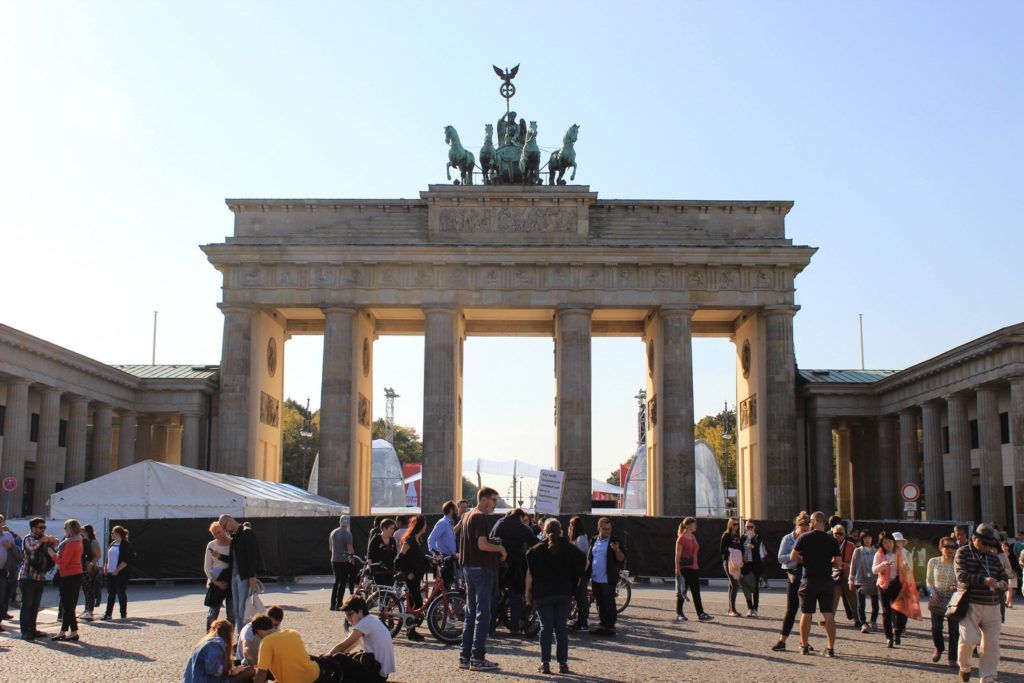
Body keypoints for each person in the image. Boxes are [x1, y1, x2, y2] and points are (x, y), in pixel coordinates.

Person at [525, 518, 585, 675]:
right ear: (560, 531)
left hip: (544, 594)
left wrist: (528, 591)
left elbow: (531, 572)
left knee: (545, 629)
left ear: (544, 531)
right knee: (561, 629)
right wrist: (575, 579)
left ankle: (545, 663)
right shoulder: (570, 549)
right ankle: (563, 664)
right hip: (564, 592)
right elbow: (583, 560)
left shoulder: (536, 550)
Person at [458, 486, 507, 671]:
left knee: (471, 613)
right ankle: (477, 658)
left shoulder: (467, 516)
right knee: (482, 614)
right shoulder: (480, 517)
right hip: (481, 569)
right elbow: (482, 544)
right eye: (494, 500)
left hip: (468, 568)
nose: (495, 504)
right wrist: (500, 549)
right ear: (484, 499)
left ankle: (465, 656)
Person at [956, 523, 1009, 682]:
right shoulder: (963, 552)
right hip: (971, 604)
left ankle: (988, 676)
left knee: (991, 645)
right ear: (974, 539)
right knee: (968, 640)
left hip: (993, 606)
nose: (987, 547)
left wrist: (1002, 584)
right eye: (983, 543)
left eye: (989, 544)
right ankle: (964, 666)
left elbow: (1004, 576)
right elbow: (961, 576)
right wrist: (984, 580)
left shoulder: (993, 557)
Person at [791, 510, 841, 657]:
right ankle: (830, 648)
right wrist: (828, 563)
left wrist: (805, 561)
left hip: (809, 580)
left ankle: (804, 646)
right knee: (828, 615)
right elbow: (838, 563)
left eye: (811, 521)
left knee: (806, 614)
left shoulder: (804, 537)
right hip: (826, 581)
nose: (809, 523)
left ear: (817, 521)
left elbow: (793, 556)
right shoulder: (832, 541)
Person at [489, 508, 537, 636]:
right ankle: (514, 628)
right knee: (515, 597)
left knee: (494, 596)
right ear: (521, 517)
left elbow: (490, 539)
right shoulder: (522, 527)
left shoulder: (499, 523)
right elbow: (535, 543)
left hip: (497, 565)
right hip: (514, 566)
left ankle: (490, 627)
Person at [328, 595, 396, 681]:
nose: (348, 620)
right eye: (346, 616)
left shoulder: (364, 623)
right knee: (342, 659)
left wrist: (324, 659)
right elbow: (349, 647)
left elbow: (342, 646)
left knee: (338, 657)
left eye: (350, 614)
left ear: (360, 611)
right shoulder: (371, 619)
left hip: (376, 674)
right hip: (381, 672)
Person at [773, 512, 810, 651]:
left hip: (806, 575)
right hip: (793, 574)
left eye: (808, 531)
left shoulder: (808, 538)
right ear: (797, 526)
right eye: (803, 530)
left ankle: (804, 642)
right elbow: (780, 557)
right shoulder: (787, 539)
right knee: (791, 609)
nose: (805, 533)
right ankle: (782, 640)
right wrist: (793, 556)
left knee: (806, 611)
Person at [219, 515, 260, 635]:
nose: (225, 530)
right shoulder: (235, 535)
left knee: (243, 609)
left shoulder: (247, 533)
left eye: (224, 526)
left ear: (229, 520)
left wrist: (252, 576)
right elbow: (234, 558)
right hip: (235, 574)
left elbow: (253, 555)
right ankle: (240, 637)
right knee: (237, 610)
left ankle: (244, 637)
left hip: (244, 575)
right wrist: (220, 556)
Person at [19, 516, 58, 639]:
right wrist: (43, 540)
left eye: (44, 527)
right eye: (40, 527)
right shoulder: (28, 539)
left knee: (35, 605)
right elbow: (31, 548)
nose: (43, 529)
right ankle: (25, 631)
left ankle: (32, 629)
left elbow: (55, 545)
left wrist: (52, 540)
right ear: (33, 528)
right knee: (27, 605)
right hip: (28, 577)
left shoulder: (43, 539)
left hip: (40, 577)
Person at [183, 618, 254, 683]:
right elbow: (212, 668)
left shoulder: (207, 642)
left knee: (243, 667)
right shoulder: (216, 645)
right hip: (206, 680)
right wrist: (231, 672)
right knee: (251, 671)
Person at [588, 517, 626, 637]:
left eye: (609, 529)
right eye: (604, 529)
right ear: (599, 528)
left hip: (608, 578)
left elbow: (622, 558)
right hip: (595, 578)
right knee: (599, 602)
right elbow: (590, 557)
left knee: (609, 602)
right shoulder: (594, 540)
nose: (607, 532)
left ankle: (610, 626)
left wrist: (616, 550)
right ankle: (603, 624)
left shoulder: (614, 541)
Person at [873, 531, 911, 648]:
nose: (888, 544)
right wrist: (882, 566)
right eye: (885, 542)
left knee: (900, 611)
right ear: (881, 543)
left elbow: (908, 568)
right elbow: (874, 570)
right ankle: (889, 637)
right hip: (883, 585)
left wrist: (905, 567)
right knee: (886, 612)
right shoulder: (879, 554)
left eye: (889, 541)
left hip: (897, 584)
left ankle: (897, 631)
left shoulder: (900, 553)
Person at [252, 619, 320, 683]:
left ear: (260, 632)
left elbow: (262, 672)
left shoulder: (266, 641)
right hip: (313, 674)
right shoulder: (292, 632)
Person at [927, 537, 959, 667]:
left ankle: (952, 658)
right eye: (947, 547)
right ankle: (939, 648)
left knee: (954, 631)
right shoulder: (933, 562)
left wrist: (957, 587)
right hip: (937, 599)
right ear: (941, 548)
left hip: (953, 600)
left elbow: (962, 580)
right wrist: (933, 594)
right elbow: (928, 580)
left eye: (953, 547)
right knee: (936, 628)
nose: (950, 549)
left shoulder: (958, 563)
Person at [396, 515, 429, 641]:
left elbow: (420, 557)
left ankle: (411, 630)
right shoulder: (409, 540)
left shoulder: (418, 540)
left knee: (415, 603)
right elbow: (400, 558)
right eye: (425, 524)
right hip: (411, 577)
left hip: (417, 576)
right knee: (417, 603)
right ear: (420, 526)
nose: (426, 527)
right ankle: (410, 632)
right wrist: (407, 572)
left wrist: (431, 561)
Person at [53, 519, 85, 641]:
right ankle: (63, 630)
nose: (64, 531)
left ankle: (74, 631)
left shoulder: (71, 543)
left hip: (69, 575)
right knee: (68, 604)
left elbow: (63, 562)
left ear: (70, 529)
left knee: (67, 605)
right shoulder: (78, 540)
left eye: (65, 528)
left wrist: (52, 554)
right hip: (76, 574)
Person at [677, 517, 712, 623]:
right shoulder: (681, 538)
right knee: (682, 592)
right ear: (687, 525)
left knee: (696, 592)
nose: (696, 526)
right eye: (694, 524)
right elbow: (677, 556)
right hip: (684, 569)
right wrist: (677, 569)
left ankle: (700, 613)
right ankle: (679, 613)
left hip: (694, 568)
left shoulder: (693, 537)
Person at [849, 529, 879, 634]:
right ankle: (863, 623)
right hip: (860, 580)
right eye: (865, 538)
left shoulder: (876, 551)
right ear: (862, 539)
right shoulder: (857, 551)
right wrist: (850, 580)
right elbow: (853, 566)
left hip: (874, 580)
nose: (867, 540)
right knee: (861, 603)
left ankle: (873, 621)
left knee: (875, 603)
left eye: (869, 537)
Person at [205, 521, 234, 630]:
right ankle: (209, 638)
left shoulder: (233, 543)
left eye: (219, 532)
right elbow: (207, 567)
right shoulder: (211, 545)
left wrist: (220, 556)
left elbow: (234, 561)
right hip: (216, 582)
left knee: (232, 615)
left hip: (231, 581)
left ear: (224, 530)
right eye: (215, 534)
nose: (218, 535)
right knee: (212, 614)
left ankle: (229, 638)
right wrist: (215, 582)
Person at [103, 525, 134, 620]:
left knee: (120, 592)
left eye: (112, 533)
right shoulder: (113, 543)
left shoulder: (125, 544)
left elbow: (126, 561)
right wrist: (105, 566)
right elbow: (107, 556)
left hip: (121, 573)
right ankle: (108, 614)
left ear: (118, 534)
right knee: (110, 593)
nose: (111, 534)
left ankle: (123, 614)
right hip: (110, 573)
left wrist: (117, 570)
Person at [720, 518, 749, 617]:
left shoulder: (737, 536)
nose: (736, 526)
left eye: (737, 524)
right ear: (730, 524)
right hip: (728, 562)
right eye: (734, 524)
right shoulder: (726, 535)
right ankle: (732, 609)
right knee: (735, 584)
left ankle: (730, 609)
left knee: (732, 585)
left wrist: (743, 556)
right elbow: (722, 549)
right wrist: (730, 551)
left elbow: (740, 547)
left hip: (737, 562)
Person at [428, 500, 459, 587]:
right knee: (444, 589)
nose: (457, 512)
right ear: (451, 510)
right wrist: (436, 554)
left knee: (447, 589)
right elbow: (431, 539)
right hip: (444, 561)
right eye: (456, 509)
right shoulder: (443, 523)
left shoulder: (449, 524)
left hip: (450, 560)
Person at [831, 524, 858, 626]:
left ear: (845, 534)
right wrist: (833, 562)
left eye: (840, 533)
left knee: (853, 599)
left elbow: (856, 562)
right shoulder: (829, 544)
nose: (838, 536)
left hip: (848, 576)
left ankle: (858, 620)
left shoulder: (851, 545)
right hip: (835, 576)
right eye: (835, 534)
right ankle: (830, 619)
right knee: (833, 599)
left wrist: (848, 565)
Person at [567, 516, 591, 630]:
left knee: (581, 598)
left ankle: (583, 623)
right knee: (578, 597)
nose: (569, 527)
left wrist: (581, 573)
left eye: (571, 525)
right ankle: (579, 620)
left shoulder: (581, 538)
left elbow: (583, 557)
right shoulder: (576, 538)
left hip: (580, 573)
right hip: (574, 573)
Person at [329, 515, 356, 611]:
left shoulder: (333, 532)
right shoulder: (348, 534)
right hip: (344, 561)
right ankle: (339, 604)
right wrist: (352, 558)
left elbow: (330, 547)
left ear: (340, 522)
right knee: (343, 582)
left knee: (336, 582)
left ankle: (332, 604)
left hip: (334, 560)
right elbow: (349, 547)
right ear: (348, 523)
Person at [741, 520, 766, 617]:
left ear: (754, 527)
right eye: (747, 527)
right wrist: (742, 558)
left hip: (755, 565)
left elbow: (755, 548)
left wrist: (751, 539)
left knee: (755, 587)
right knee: (746, 587)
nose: (749, 529)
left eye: (751, 527)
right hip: (746, 565)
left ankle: (755, 609)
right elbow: (741, 549)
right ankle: (749, 608)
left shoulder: (757, 537)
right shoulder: (743, 537)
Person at [80, 524, 102, 621]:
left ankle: (90, 611)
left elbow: (98, 555)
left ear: (87, 532)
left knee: (90, 589)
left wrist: (91, 564)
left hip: (91, 568)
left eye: (83, 531)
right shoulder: (83, 541)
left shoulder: (93, 542)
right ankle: (87, 609)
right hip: (83, 568)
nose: (81, 532)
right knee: (85, 589)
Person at [368, 519, 397, 586]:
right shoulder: (376, 539)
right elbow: (370, 554)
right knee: (381, 592)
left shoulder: (392, 540)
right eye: (391, 528)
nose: (393, 530)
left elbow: (394, 555)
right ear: (384, 528)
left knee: (390, 591)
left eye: (393, 528)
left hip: (390, 570)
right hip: (378, 570)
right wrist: (369, 567)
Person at [0, 514, 16, 632]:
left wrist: (10, 546)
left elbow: (17, 550)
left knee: (3, 595)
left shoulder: (8, 535)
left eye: (1, 521)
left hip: (4, 570)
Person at [999, 541, 1016, 610]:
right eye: (1003, 546)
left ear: (1008, 547)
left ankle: (1007, 602)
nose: (1005, 547)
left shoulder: (1011, 555)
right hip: (1004, 574)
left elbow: (1015, 564)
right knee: (1007, 588)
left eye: (1006, 546)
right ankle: (1010, 602)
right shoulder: (1000, 555)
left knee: (1010, 587)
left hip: (1011, 573)